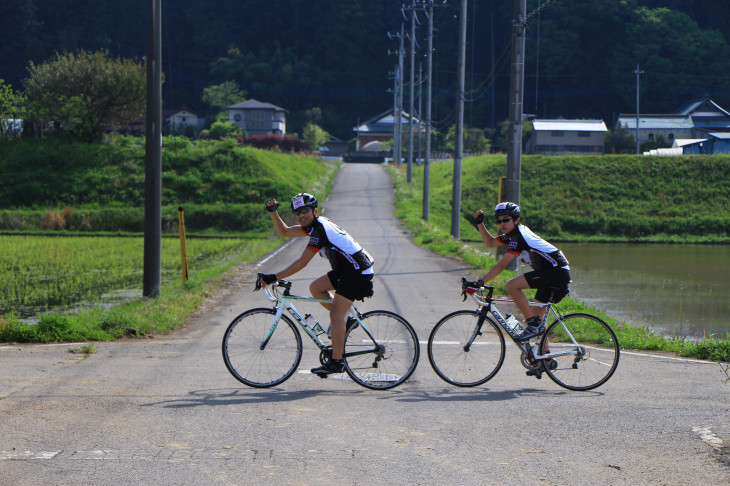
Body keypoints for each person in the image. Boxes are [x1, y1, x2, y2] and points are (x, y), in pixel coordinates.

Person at [258, 193, 375, 376]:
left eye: (305, 211)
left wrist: (274, 276)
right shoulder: (313, 226)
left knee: (336, 314)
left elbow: (302, 262)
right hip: (347, 269)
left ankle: (337, 362)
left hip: (357, 270)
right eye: (297, 213)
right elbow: (285, 232)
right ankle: (347, 321)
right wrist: (273, 212)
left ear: (315, 211)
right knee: (316, 288)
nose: (301, 215)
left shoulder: (319, 230)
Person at [470, 202, 570, 341]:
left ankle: (532, 324)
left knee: (512, 285)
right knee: (538, 319)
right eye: (499, 221)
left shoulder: (518, 237)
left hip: (557, 271)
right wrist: (480, 223)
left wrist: (479, 282)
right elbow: (491, 243)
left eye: (506, 219)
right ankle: (544, 358)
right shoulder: (512, 235)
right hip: (549, 273)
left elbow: (501, 265)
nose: (502, 224)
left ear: (516, 220)